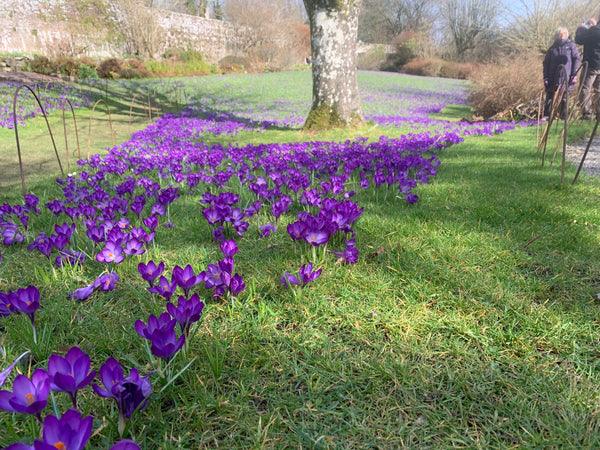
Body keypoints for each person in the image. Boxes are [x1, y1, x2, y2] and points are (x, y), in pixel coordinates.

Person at [543, 27, 580, 119]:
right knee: (549, 97)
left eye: (564, 34)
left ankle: (563, 117)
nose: (562, 35)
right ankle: (547, 116)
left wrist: (574, 74)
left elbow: (576, 59)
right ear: (556, 36)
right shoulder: (552, 48)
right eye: (560, 34)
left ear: (566, 35)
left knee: (564, 97)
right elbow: (546, 63)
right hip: (552, 76)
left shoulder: (571, 46)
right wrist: (545, 77)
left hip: (566, 76)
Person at [576, 16, 600, 119]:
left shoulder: (594, 30)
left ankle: (587, 115)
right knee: (598, 90)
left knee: (584, 88)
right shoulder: (595, 30)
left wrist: (581, 28)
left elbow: (579, 39)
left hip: (591, 64)